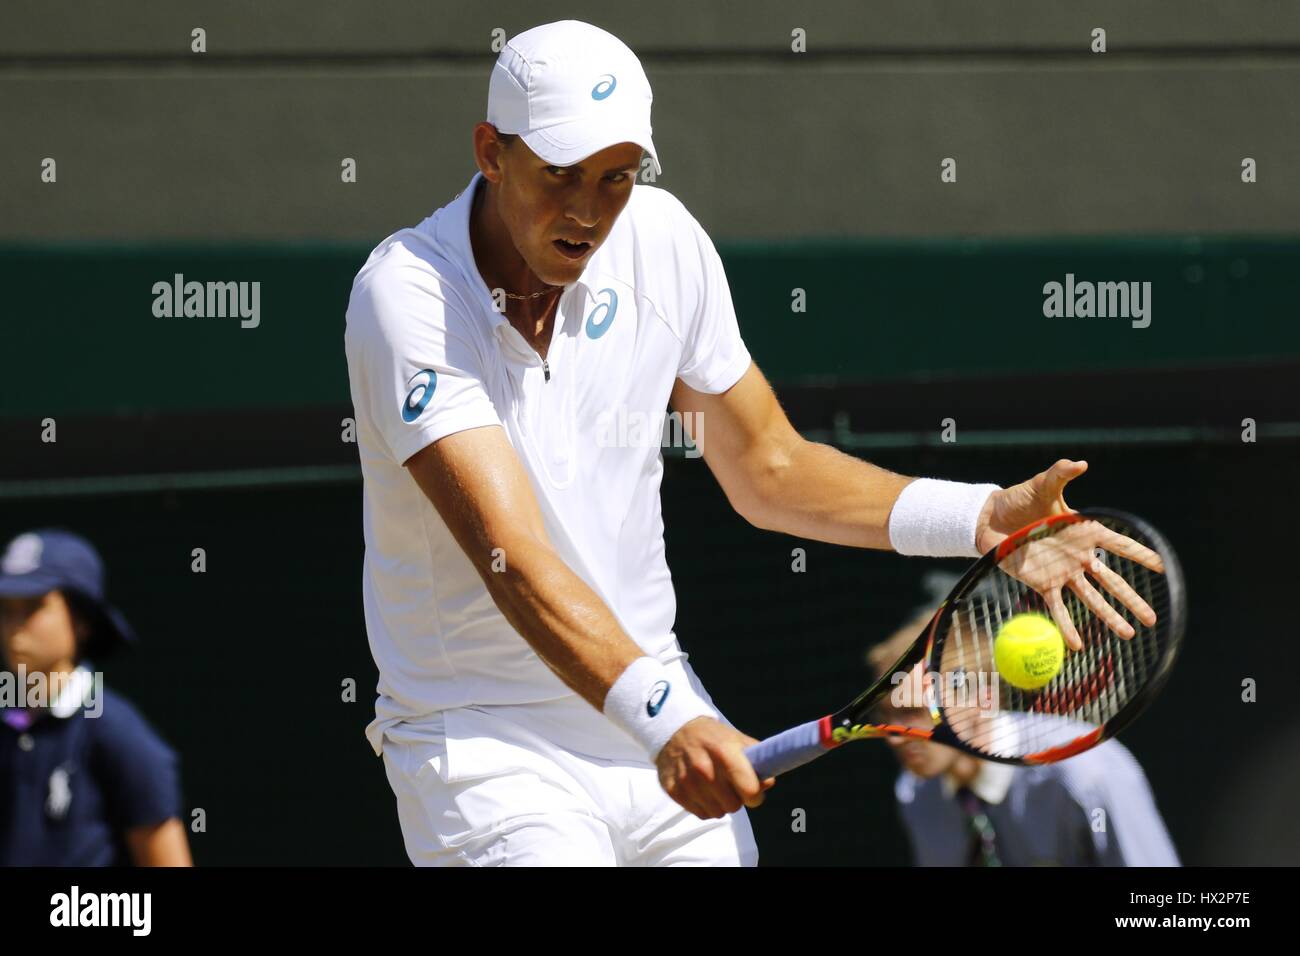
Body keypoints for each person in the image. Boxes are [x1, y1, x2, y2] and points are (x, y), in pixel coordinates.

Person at [343, 19, 1161, 866]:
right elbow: (516, 557)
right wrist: (667, 718)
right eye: (559, 174)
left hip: (651, 696)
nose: (587, 211)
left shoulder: (662, 243)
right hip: (485, 738)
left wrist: (982, 516)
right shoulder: (408, 298)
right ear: (490, 152)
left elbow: (769, 468)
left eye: (615, 179)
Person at [868, 579, 1180, 866]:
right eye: (885, 713)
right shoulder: (916, 795)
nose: (894, 735)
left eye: (914, 710)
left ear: (982, 699)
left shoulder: (1088, 775)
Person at [0, 529, 192, 866]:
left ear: (82, 621)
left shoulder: (117, 731)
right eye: (5, 609)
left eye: (33, 607)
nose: (16, 627)